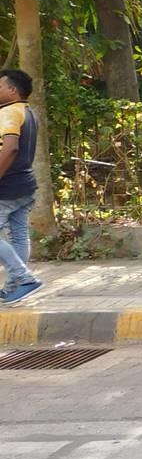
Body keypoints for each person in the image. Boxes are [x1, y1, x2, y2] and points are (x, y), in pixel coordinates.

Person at [0, 69, 42, 303]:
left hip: (7, 186)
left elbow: (10, 148)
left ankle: (24, 279)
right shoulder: (28, 111)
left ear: (12, 90)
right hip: (25, 184)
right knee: (19, 236)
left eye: (0, 87)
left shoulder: (9, 112)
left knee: (17, 236)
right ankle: (13, 287)